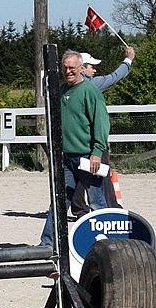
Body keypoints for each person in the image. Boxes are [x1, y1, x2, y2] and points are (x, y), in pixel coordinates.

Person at [39, 50, 110, 247]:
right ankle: (47, 243)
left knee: (97, 202)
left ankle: (105, 244)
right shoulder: (61, 91)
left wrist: (97, 152)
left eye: (72, 67)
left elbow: (101, 123)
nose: (68, 71)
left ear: (81, 68)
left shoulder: (90, 92)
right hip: (66, 158)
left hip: (88, 157)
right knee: (59, 201)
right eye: (65, 67)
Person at [69, 47, 136, 218]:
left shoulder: (68, 88)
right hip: (92, 144)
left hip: (75, 145)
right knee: (100, 177)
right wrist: (128, 60)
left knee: (77, 179)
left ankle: (79, 208)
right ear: (82, 68)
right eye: (91, 66)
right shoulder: (91, 85)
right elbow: (114, 78)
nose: (94, 69)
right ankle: (108, 209)